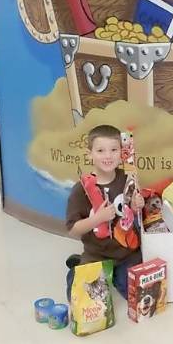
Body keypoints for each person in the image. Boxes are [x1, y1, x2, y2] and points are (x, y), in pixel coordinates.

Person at [65, 124, 144, 301]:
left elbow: (135, 211)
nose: (108, 156)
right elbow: (73, 229)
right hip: (96, 255)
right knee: (85, 298)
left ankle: (117, 276)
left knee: (137, 294)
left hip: (128, 254)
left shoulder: (128, 178)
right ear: (89, 154)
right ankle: (77, 266)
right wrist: (97, 219)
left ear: (122, 152)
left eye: (114, 150)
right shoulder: (81, 190)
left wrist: (138, 204)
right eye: (100, 150)